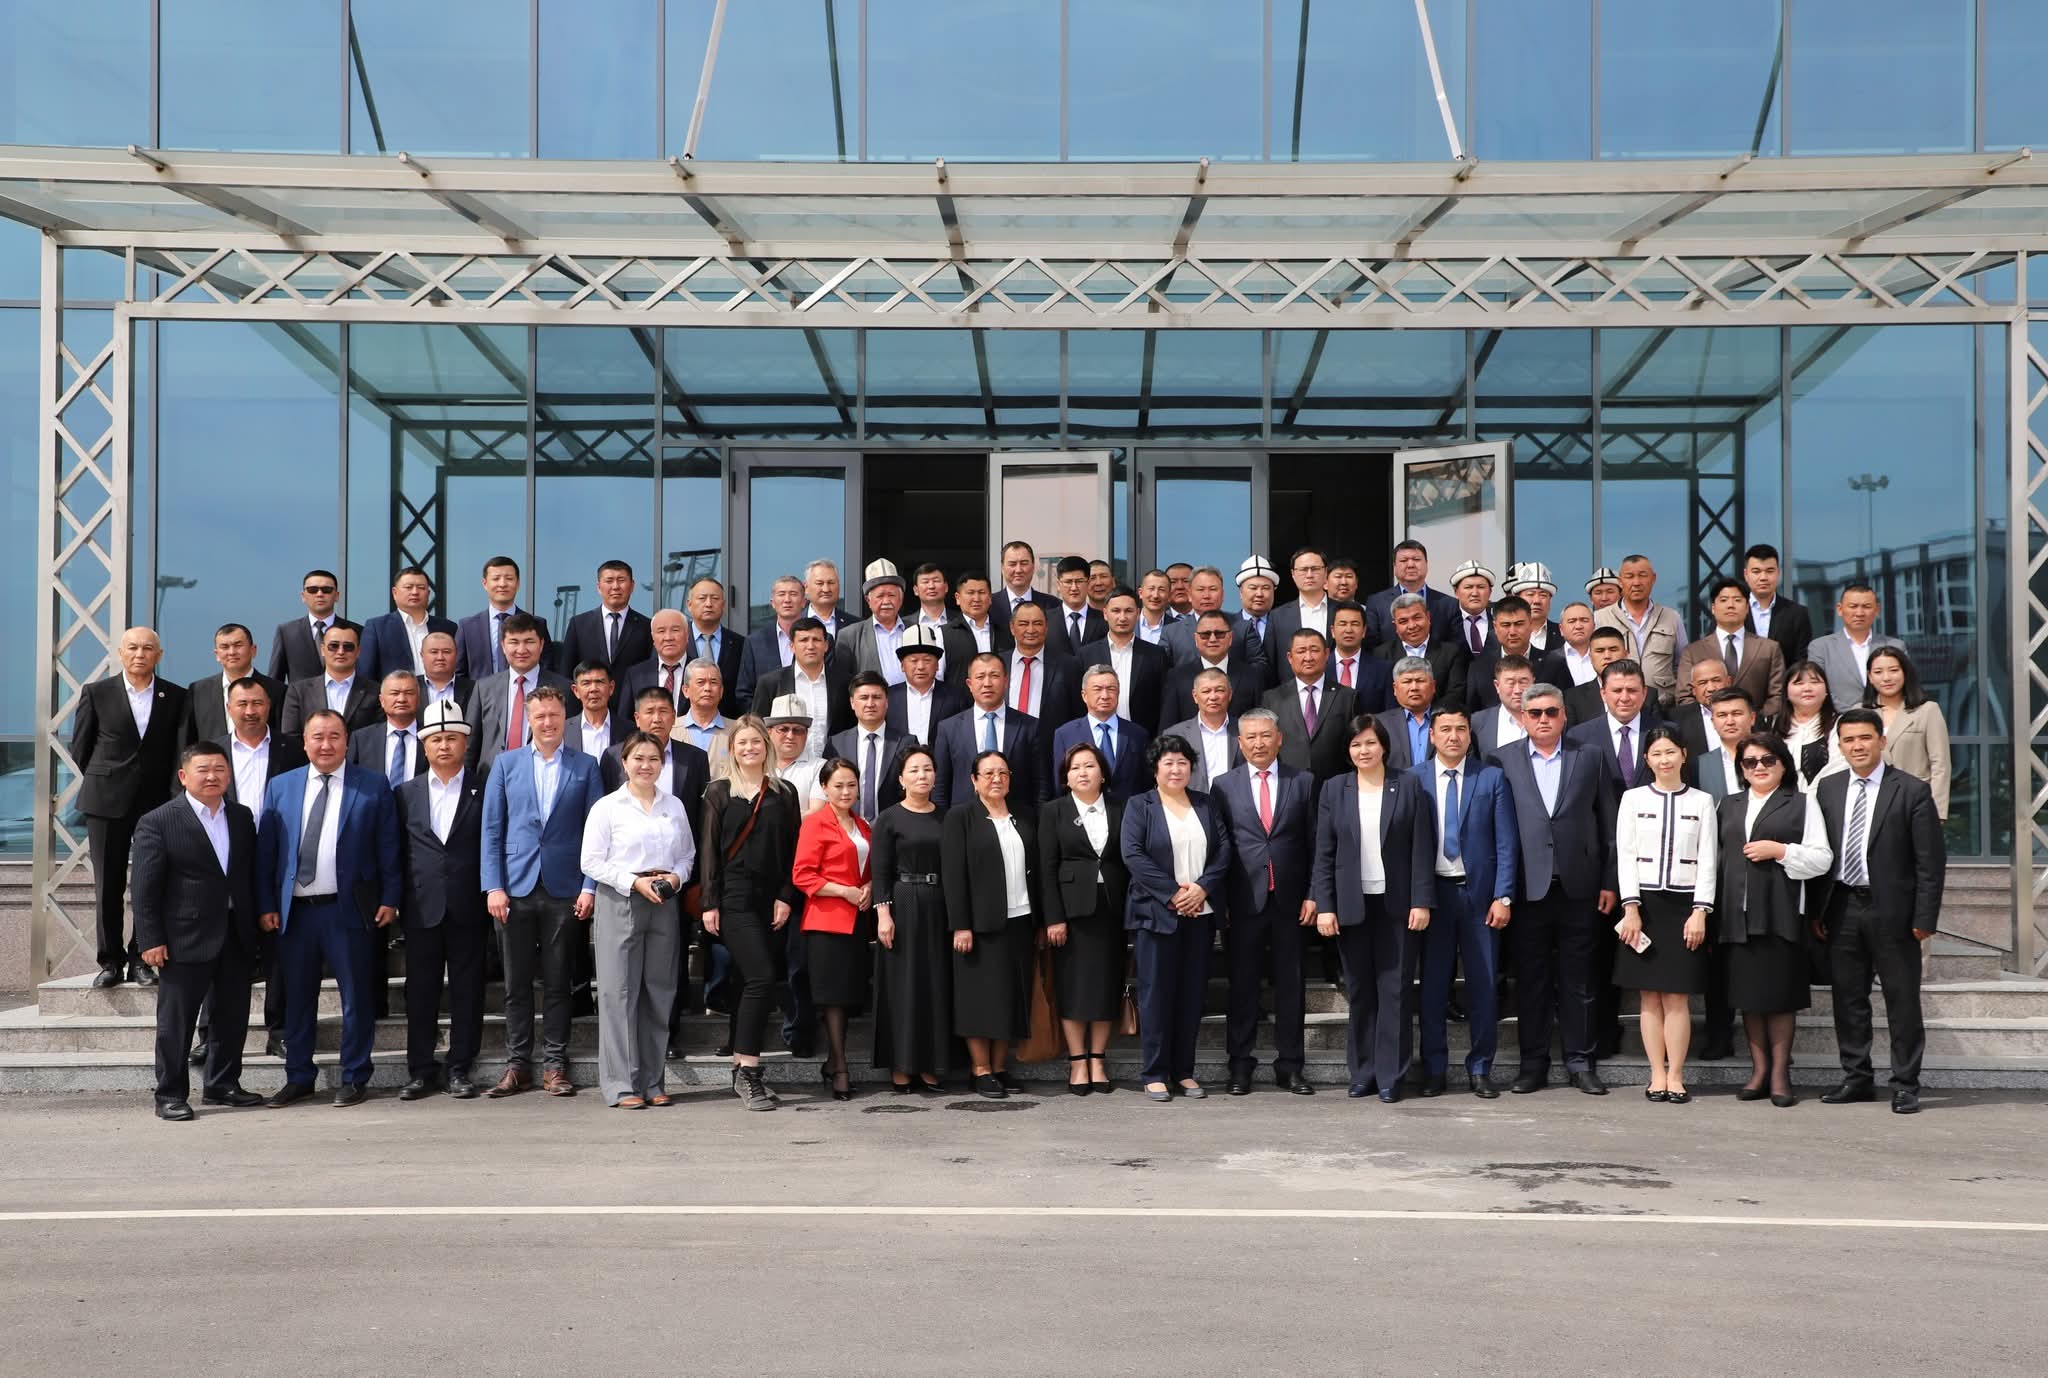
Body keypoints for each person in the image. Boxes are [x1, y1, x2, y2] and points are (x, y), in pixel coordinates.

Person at [256, 709, 400, 1108]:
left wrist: (391, 897)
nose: (326, 744)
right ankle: (299, 1076)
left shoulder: (372, 785)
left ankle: (354, 1076)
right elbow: (267, 852)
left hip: (348, 909)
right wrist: (266, 904)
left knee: (357, 998)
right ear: (304, 743)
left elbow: (389, 846)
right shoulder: (281, 786)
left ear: (346, 741)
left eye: (334, 736)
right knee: (298, 999)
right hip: (296, 912)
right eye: (317, 737)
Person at [1811, 710, 1946, 1114]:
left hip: (1894, 912)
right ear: (1840, 746)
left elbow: (1930, 862)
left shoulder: (1911, 790)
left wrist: (1925, 918)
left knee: (1901, 1000)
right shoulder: (1829, 789)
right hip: (1842, 906)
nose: (1857, 746)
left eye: (1865, 738)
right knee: (1848, 999)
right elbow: (1821, 852)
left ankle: (1905, 1084)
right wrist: (1816, 911)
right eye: (1849, 739)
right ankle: (1857, 1078)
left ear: (1882, 741)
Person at [1494, 683, 1619, 1095]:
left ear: (1564, 715)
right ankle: (1533, 1065)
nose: (1544, 719)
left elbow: (1608, 823)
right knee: (1531, 981)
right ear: (1523, 718)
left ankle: (1581, 1063)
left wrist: (1609, 881)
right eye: (1535, 713)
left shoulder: (1591, 756)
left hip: (1580, 887)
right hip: (1527, 890)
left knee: (1580, 981)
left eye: (1551, 712)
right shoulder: (1502, 759)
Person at [482, 683, 602, 1098]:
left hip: (565, 888)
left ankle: (555, 1065)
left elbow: (595, 831)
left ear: (564, 717)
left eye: (554, 715)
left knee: (558, 981)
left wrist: (589, 886)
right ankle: (517, 1065)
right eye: (540, 716)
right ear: (529, 720)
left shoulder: (586, 766)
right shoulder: (506, 764)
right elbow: (492, 829)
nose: (547, 722)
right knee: (515, 984)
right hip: (514, 888)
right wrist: (493, 885)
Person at [131, 742, 262, 1120]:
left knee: (231, 1017)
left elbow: (245, 874)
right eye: (203, 770)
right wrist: (150, 939)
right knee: (177, 1022)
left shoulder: (241, 817)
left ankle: (223, 1084)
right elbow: (144, 887)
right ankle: (170, 1094)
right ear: (184, 776)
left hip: (234, 933)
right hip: (183, 938)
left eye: (219, 769)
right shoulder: (158, 821)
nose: (211, 776)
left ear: (229, 775)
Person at [1311, 716, 1436, 1102]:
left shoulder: (1408, 785)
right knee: (1361, 990)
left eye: (1370, 743)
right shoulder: (1335, 788)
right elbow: (1324, 853)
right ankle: (1363, 1072)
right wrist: (1325, 906)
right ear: (1347, 751)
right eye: (1356, 744)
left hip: (1397, 905)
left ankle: (1391, 1075)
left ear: (1383, 746)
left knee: (1395, 991)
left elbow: (1421, 847)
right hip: (1352, 904)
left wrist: (1421, 900)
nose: (1363, 751)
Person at [1718, 730, 1833, 1108]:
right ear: (1741, 768)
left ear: (1783, 764)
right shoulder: (1729, 804)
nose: (1759, 767)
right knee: (1749, 999)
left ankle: (1781, 1074)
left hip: (1781, 913)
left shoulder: (1801, 803)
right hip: (1738, 916)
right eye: (1750, 762)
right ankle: (1760, 1071)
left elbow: (1822, 858)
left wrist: (1781, 851)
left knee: (1781, 998)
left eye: (1768, 760)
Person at [580, 730, 695, 1109]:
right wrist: (633, 882)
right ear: (624, 762)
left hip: (663, 899)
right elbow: (590, 861)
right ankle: (621, 1085)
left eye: (654, 759)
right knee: (619, 993)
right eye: (639, 759)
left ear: (663, 764)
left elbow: (687, 856)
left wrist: (676, 878)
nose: (646, 766)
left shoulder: (673, 805)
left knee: (658, 990)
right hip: (621, 898)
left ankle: (652, 1080)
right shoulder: (608, 807)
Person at [1210, 709, 1317, 1096]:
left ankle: (1291, 1066)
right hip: (1243, 902)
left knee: (1291, 985)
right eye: (1251, 737)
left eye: (1265, 735)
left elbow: (1316, 843)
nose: (1259, 743)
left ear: (1279, 738)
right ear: (1240, 743)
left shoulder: (1303, 781)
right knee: (1242, 986)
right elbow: (1219, 846)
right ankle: (1240, 1065)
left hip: (1291, 901)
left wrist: (1314, 894)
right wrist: (1220, 900)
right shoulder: (1223, 786)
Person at [698, 715, 802, 1111]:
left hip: (770, 898)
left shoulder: (784, 792)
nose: (749, 748)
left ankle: (740, 1065)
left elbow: (792, 849)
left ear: (767, 746)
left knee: (747, 981)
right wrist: (709, 903)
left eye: (756, 742)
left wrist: (785, 896)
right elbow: (709, 851)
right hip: (733, 897)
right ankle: (750, 1072)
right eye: (742, 742)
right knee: (761, 977)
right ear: (732, 749)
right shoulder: (718, 792)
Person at [73, 626, 188, 988]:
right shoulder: (97, 692)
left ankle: (141, 958)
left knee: (149, 880)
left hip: (155, 802)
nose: (140, 654)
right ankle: (110, 961)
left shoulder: (176, 696)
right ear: (121, 653)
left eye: (148, 648)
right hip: (106, 800)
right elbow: (81, 748)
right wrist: (108, 778)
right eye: (133, 648)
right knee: (108, 883)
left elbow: (179, 750)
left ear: (159, 655)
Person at [1120, 735, 1231, 1102]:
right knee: (1156, 995)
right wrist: (1173, 893)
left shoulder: (1205, 803)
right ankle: (1154, 1073)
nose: (1175, 769)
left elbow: (1223, 850)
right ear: (1155, 769)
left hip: (1200, 913)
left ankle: (1184, 1071)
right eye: (1168, 762)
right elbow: (1133, 855)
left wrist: (1201, 888)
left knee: (1192, 994)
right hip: (1156, 915)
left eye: (1182, 762)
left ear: (1191, 768)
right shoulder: (1140, 805)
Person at [1414, 707, 1518, 1098]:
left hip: (1480, 897)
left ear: (1470, 735)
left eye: (1461, 729)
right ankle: (1434, 1069)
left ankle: (1480, 1068)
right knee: (1432, 987)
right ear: (1433, 736)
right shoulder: (1413, 779)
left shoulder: (1490, 778)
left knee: (1483, 984)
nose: (1453, 736)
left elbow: (1506, 842)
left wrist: (1503, 895)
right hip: (1433, 897)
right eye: (1445, 729)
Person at [1612, 725, 1718, 1104]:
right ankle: (1656, 1073)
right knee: (1649, 996)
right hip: (1644, 907)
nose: (1664, 760)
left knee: (1677, 997)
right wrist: (1631, 908)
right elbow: (1625, 856)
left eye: (1670, 752)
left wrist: (1700, 911)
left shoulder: (1702, 801)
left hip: (1685, 906)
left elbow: (1708, 859)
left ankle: (1676, 1075)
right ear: (1647, 759)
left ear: (1684, 755)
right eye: (1656, 754)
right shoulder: (1632, 799)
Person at [392, 699, 490, 1101]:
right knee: (421, 991)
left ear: (465, 742)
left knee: (468, 990)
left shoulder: (484, 787)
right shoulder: (405, 793)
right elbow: (397, 851)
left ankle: (460, 1068)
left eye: (451, 738)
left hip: (469, 905)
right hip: (421, 906)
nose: (444, 745)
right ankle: (421, 1070)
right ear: (424, 745)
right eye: (436, 739)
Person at [941, 750, 1042, 1099]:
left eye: (1003, 772)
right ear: (974, 780)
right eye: (988, 773)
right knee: (979, 999)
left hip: (1021, 919)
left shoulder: (1024, 815)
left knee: (1010, 997)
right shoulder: (960, 817)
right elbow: (953, 874)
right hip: (980, 925)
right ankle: (980, 1069)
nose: (997, 779)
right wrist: (961, 925)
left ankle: (999, 1067)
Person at [213, 675, 302, 1058]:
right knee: (220, 951)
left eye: (258, 704)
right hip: (225, 861)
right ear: (229, 708)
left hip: (278, 860)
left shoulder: (292, 749)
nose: (250, 711)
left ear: (269, 706)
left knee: (278, 950)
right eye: (242, 704)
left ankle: (279, 1030)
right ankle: (210, 1035)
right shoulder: (212, 751)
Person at [1038, 743, 1131, 1095]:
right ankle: (1078, 1060)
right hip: (1071, 914)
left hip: (1111, 911)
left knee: (1106, 986)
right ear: (1065, 777)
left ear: (1102, 773)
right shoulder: (1053, 811)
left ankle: (1097, 1059)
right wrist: (1054, 918)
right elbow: (1046, 868)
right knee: (1073, 988)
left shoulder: (1122, 808)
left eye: (1089, 765)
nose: (1082, 772)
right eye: (1074, 767)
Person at [872, 745, 954, 1093]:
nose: (922, 775)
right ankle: (902, 1065)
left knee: (936, 983)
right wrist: (884, 914)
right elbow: (880, 871)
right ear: (902, 779)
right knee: (903, 986)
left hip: (940, 903)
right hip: (903, 903)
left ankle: (933, 1063)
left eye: (928, 769)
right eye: (915, 770)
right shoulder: (889, 818)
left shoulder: (948, 817)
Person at [793, 758, 875, 1101]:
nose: (845, 792)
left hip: (857, 920)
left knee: (848, 993)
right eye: (838, 785)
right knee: (833, 996)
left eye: (851, 785)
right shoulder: (815, 823)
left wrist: (869, 886)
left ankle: (832, 1061)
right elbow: (802, 875)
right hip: (826, 921)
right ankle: (840, 1067)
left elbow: (868, 868)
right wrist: (843, 891)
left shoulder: (863, 824)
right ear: (824, 788)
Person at [933, 652, 1045, 810]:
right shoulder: (949, 728)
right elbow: (940, 786)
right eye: (980, 677)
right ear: (969, 684)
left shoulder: (1029, 726)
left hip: (1016, 816)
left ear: (1005, 681)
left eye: (994, 676)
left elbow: (1041, 784)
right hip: (965, 818)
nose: (987, 683)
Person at [467, 612, 571, 770]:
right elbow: (469, 745)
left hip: (545, 775)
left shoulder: (563, 688)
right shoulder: (484, 688)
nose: (521, 650)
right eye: (514, 642)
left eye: (529, 642)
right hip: (492, 778)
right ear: (503, 646)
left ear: (541, 645)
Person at [1676, 577, 1787, 719]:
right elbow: (1684, 697)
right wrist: (1710, 722)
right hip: (1707, 727)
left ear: (1747, 608)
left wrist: (1752, 721)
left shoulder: (1769, 648)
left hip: (1756, 726)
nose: (1730, 605)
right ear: (1713, 608)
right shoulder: (1693, 652)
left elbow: (1778, 695)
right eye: (1723, 600)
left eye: (1737, 600)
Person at [1863, 646, 1951, 820]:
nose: (1887, 678)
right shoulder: (1859, 712)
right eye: (1878, 672)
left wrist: (1937, 813)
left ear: (1905, 672)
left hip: (1916, 803)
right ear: (1870, 677)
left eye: (1893, 670)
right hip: (1870, 804)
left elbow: (1940, 764)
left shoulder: (1927, 710)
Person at [1595, 554, 1689, 710]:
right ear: (1620, 581)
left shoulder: (1671, 617)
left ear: (1653, 578)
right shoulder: (1600, 618)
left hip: (1663, 706)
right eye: (1629, 576)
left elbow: (1683, 665)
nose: (1636, 582)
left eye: (1642, 575)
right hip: (1619, 706)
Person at [752, 616, 852, 761]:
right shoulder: (770, 683)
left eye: (816, 640)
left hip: (833, 766)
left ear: (826, 645)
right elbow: (758, 728)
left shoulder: (844, 683)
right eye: (803, 640)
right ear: (792, 646)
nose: (810, 646)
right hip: (785, 766)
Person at [1264, 628, 1357, 780]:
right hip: (1288, 783)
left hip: (1335, 783)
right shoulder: (1272, 699)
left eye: (1314, 650)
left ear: (1326, 654)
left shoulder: (1347, 697)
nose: (1308, 657)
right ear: (1290, 657)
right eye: (1301, 651)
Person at [1052, 664, 1153, 803]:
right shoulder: (1065, 734)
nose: (1105, 696)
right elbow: (1060, 784)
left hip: (1128, 812)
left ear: (1118, 693)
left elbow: (1146, 782)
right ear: (1084, 695)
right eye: (1097, 689)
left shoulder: (1137, 734)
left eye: (1111, 689)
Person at [1077, 586, 1169, 733]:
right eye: (1116, 611)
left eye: (1128, 611)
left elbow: (1164, 703)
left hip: (1142, 738)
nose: (1122, 617)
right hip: (1096, 737)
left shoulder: (1155, 655)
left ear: (1138, 614)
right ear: (1105, 614)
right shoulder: (1086, 654)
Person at [1805, 582, 1903, 710]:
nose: (1859, 613)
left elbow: (1904, 686)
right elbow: (1818, 688)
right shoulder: (1820, 647)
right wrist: (1854, 715)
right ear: (1840, 609)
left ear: (1877, 610)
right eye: (1853, 606)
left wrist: (1882, 713)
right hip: (1839, 717)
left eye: (1866, 606)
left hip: (1888, 716)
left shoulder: (1896, 646)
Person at [830, 671, 910, 824]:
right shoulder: (836, 743)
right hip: (847, 827)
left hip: (894, 827)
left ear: (887, 702)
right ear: (852, 703)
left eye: (877, 697)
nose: (870, 704)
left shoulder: (906, 742)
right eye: (864, 697)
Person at [454, 554, 550, 681]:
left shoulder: (537, 624)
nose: (502, 584)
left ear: (518, 583)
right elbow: (458, 673)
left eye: (509, 578)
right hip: (481, 693)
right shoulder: (467, 627)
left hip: (524, 691)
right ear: (484, 583)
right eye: (496, 578)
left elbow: (547, 668)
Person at [557, 559, 653, 684]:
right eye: (609, 581)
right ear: (599, 587)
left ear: (632, 586)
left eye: (621, 580)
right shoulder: (579, 624)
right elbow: (566, 671)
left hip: (632, 696)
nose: (615, 586)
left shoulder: (645, 626)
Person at [1566, 658, 1656, 789]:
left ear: (1644, 693)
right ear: (1603, 694)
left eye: (1632, 690)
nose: (1624, 698)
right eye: (1617, 691)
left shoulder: (1664, 732)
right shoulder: (1579, 736)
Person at [186, 622, 283, 742]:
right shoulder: (198, 691)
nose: (232, 652)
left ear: (253, 650)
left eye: (238, 645)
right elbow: (188, 740)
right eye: (225, 647)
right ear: (217, 654)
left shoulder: (277, 690)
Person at [1162, 608, 1266, 720]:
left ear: (1230, 637)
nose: (1212, 639)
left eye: (1219, 634)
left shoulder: (1252, 676)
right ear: (1196, 639)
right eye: (1205, 634)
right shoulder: (1177, 677)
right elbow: (1168, 725)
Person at [357, 566, 456, 682]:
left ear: (428, 593)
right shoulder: (377, 627)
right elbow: (365, 674)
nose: (415, 592)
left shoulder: (448, 627)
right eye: (408, 587)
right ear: (395, 593)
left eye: (421, 588)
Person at [1371, 592, 1467, 712]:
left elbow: (1456, 692)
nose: (1412, 626)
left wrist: (1430, 715)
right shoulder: (1381, 654)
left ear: (1428, 617)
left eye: (1417, 618)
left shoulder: (1450, 652)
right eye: (1403, 621)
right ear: (1395, 626)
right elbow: (1380, 696)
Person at [1466, 595, 1567, 709]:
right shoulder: (1479, 668)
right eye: (1506, 625)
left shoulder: (1554, 664)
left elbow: (1565, 708)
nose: (1512, 632)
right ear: (1495, 627)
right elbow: (1471, 712)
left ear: (1530, 624)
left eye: (1519, 624)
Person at [279, 622, 380, 736]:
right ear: (322, 649)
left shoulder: (375, 691)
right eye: (333, 646)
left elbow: (378, 736)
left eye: (348, 647)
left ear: (358, 652)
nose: (341, 652)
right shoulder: (298, 691)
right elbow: (290, 737)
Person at [1364, 539, 1460, 650]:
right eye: (1404, 560)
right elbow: (1371, 647)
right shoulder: (1376, 603)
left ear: (1426, 564)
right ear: (1394, 567)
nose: (1410, 565)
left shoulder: (1449, 604)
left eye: (1416, 559)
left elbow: (1456, 648)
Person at [269, 568, 358, 682]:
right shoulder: (286, 632)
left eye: (326, 590)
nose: (319, 594)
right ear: (303, 596)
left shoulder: (356, 631)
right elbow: (275, 681)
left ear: (336, 596)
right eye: (312, 590)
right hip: (300, 694)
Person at [734, 572, 807, 713]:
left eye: (793, 594)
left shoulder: (817, 639)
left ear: (804, 602)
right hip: (766, 723)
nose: (787, 600)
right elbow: (744, 693)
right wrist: (760, 722)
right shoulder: (754, 642)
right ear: (772, 603)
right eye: (781, 594)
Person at [1159, 666, 1240, 791]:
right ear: (1195, 696)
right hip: (1191, 802)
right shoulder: (1175, 734)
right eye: (1206, 691)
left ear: (1230, 694)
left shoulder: (1245, 730)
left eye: (1219, 690)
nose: (1213, 697)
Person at [1771, 659, 1846, 792]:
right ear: (1786, 692)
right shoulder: (1773, 725)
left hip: (1825, 796)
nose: (1807, 688)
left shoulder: (1839, 724)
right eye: (1799, 683)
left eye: (1815, 682)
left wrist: (1809, 797)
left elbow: (1839, 766)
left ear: (1826, 690)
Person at [1005, 600, 1082, 726]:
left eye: (1038, 623)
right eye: (1023, 624)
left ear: (1046, 627)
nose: (1031, 630)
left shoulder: (1068, 666)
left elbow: (1078, 715)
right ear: (1012, 628)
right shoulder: (999, 664)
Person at [886, 623, 966, 745]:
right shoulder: (888, 697)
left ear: (937, 665)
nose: (921, 667)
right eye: (914, 660)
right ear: (902, 665)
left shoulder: (955, 697)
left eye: (927, 660)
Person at [838, 558, 913, 683]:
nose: (886, 601)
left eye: (891, 595)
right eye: (880, 596)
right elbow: (843, 682)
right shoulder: (850, 636)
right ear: (868, 600)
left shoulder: (916, 630)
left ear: (901, 598)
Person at [1743, 543, 1815, 667]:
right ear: (1746, 575)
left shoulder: (1797, 613)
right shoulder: (1730, 611)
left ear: (1778, 573)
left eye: (1769, 571)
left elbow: (1801, 660)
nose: (1763, 577)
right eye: (1756, 571)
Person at [346, 670, 426, 782]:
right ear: (382, 700)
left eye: (409, 693)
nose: (402, 699)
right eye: (395, 693)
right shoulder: (361, 739)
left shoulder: (430, 736)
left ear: (418, 699)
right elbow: (349, 778)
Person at [683, 576, 745, 719]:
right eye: (702, 598)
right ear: (689, 604)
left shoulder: (740, 644)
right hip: (683, 724)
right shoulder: (677, 640)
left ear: (723, 605)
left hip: (728, 724)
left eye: (715, 598)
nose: (709, 604)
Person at [616, 608, 693, 715]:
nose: (668, 637)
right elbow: (625, 719)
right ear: (653, 637)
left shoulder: (700, 672)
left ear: (687, 634)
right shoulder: (635, 675)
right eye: (661, 631)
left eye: (675, 630)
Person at [1469, 654, 1534, 764]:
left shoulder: (1548, 718)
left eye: (1523, 682)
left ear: (1533, 683)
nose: (1518, 690)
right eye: (1511, 683)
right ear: (1497, 686)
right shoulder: (1478, 722)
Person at [1563, 625, 1630, 726]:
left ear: (1626, 654)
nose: (1607, 656)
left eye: (1613, 649)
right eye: (1600, 651)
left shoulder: (1649, 697)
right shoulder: (1572, 698)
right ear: (1590, 657)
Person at [1378, 657, 1436, 771]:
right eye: (1407, 682)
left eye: (1420, 681)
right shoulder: (1380, 723)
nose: (1414, 688)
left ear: (1433, 686)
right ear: (1395, 688)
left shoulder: (1447, 720)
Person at [1046, 555, 1107, 658]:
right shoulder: (1045, 620)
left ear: (1088, 583)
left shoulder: (1104, 620)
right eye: (1068, 582)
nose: (1074, 588)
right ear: (1058, 585)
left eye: (1079, 581)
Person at [993, 539, 1057, 629]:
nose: (1018, 570)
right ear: (1002, 568)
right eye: (1012, 564)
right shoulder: (989, 605)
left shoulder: (1053, 605)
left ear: (1033, 566)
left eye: (1024, 563)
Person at [563, 660, 617, 760]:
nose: (593, 689)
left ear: (611, 687)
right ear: (576, 691)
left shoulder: (630, 731)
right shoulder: (563, 731)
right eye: (586, 683)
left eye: (599, 682)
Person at [1235, 554, 1281, 664]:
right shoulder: (1229, 625)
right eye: (1253, 588)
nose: (1259, 594)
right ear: (1241, 592)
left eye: (1265, 588)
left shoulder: (1283, 624)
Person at [1447, 561, 1496, 658]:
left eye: (1481, 587)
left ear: (1490, 592)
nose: (1475, 593)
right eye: (1468, 587)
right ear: (1456, 592)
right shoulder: (1445, 625)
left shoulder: (1499, 623)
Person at [804, 558, 854, 640]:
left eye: (831, 583)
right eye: (820, 583)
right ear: (806, 587)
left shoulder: (855, 625)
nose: (826, 589)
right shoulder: (792, 623)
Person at [418, 630, 469, 709]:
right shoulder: (411, 687)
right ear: (422, 655)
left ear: (456, 655)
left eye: (446, 652)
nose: (440, 657)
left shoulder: (474, 689)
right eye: (434, 652)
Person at [1555, 601, 1599, 688]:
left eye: (1584, 620)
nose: (1578, 626)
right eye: (1572, 621)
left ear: (1594, 626)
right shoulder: (1549, 661)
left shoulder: (1606, 657)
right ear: (1561, 629)